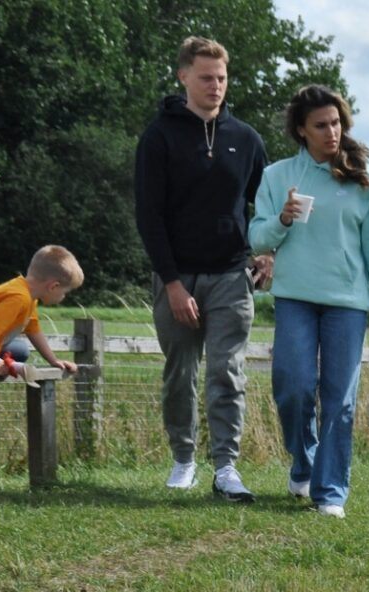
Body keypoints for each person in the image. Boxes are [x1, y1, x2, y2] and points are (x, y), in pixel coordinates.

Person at [249, 85, 369, 519]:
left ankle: (330, 492)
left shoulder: (365, 177)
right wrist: (282, 220)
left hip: (349, 303)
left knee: (340, 398)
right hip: (295, 297)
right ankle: (304, 462)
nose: (331, 132)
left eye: (336, 123)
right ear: (302, 130)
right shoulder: (277, 177)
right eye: (321, 125)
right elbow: (256, 238)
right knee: (293, 388)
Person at [134, 35, 270, 500]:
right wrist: (172, 283)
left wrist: (267, 252)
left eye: (222, 78)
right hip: (177, 276)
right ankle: (183, 459)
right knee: (181, 373)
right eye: (207, 77)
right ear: (184, 76)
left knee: (227, 372)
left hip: (232, 276)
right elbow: (148, 217)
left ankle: (226, 468)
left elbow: (265, 205)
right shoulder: (159, 136)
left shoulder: (246, 139)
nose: (216, 86)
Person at [0, 247, 84, 415]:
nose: (64, 297)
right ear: (54, 286)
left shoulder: (28, 296)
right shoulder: (18, 298)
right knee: (10, 355)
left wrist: (53, 361)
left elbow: (34, 331)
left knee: (20, 350)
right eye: (65, 292)